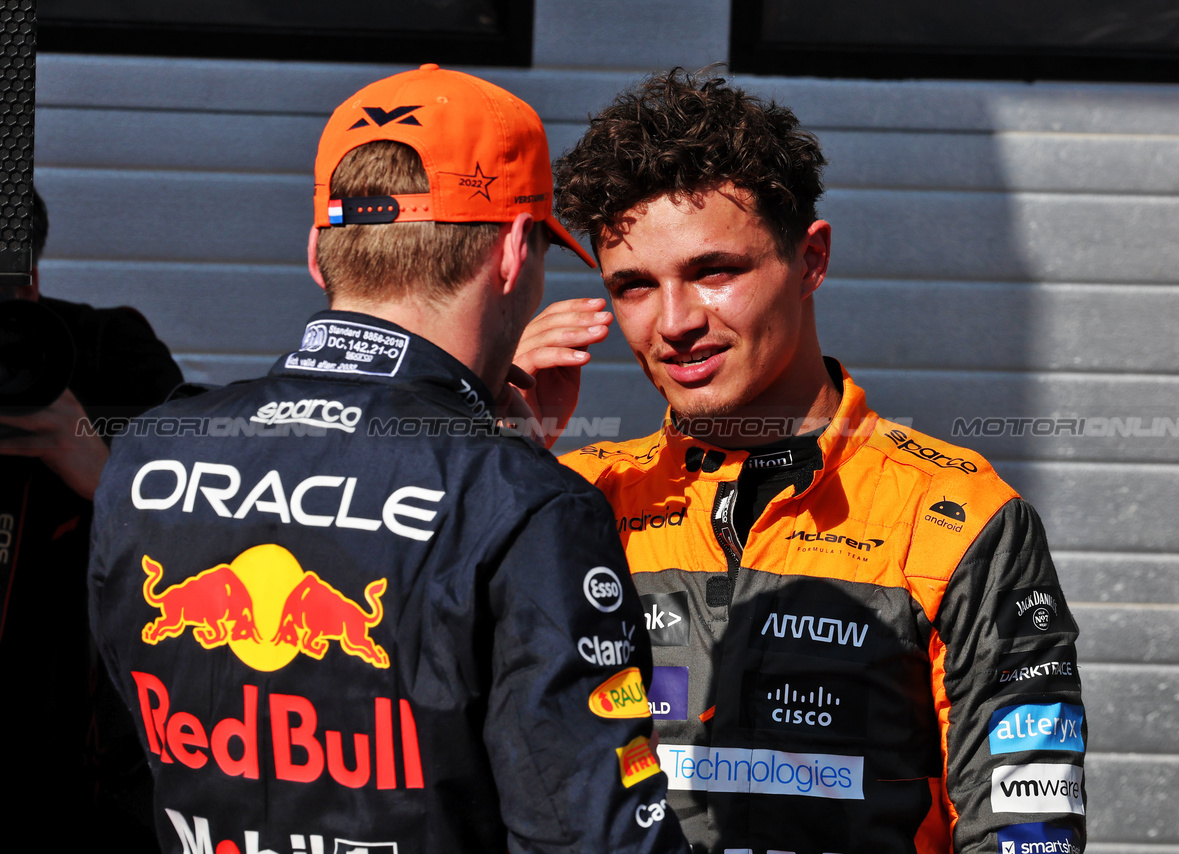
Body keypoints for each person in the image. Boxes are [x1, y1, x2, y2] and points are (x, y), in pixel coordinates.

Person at [89, 65, 687, 854]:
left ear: (317, 250)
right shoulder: (528, 505)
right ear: (513, 251)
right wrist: (502, 477)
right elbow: (592, 837)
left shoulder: (149, 450)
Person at [517, 69, 1087, 854]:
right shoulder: (571, 498)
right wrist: (501, 459)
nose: (674, 322)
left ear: (811, 260)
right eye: (635, 286)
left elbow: (1027, 829)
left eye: (715, 271)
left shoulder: (958, 517)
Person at [0, 188, 183, 848]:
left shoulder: (105, 356)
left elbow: (212, 551)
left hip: (84, 790)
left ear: (29, 286)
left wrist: (101, 472)